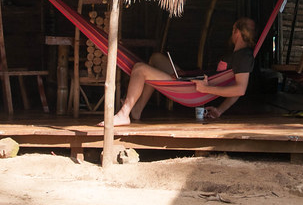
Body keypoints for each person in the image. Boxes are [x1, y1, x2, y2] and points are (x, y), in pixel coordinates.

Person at [103, 17, 257, 126]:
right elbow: (225, 80)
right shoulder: (236, 54)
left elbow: (239, 89)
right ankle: (137, 109)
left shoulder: (244, 56)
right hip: (192, 81)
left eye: (232, 30)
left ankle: (124, 114)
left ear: (237, 32)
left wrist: (206, 89)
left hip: (194, 90)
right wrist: (189, 75)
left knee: (139, 69)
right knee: (156, 58)